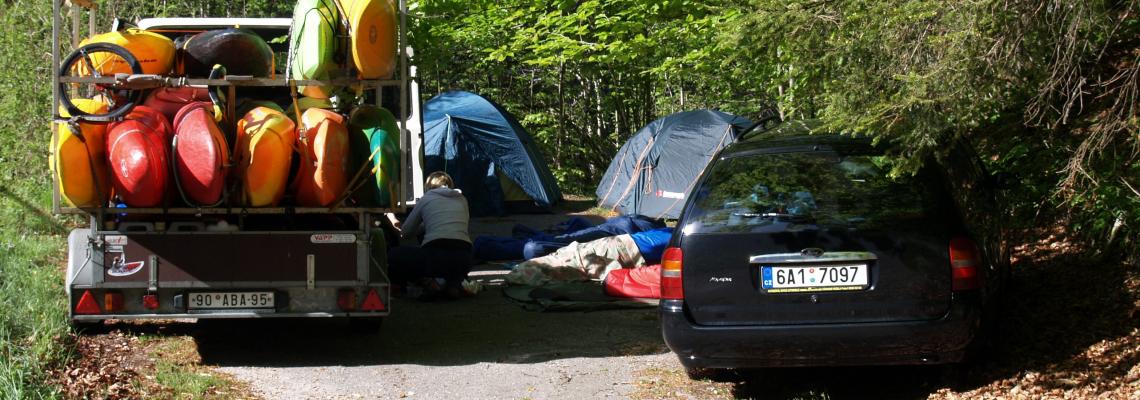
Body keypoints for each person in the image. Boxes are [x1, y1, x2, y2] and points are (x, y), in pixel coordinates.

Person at [388, 172, 472, 299]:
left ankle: (424, 283)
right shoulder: (462, 199)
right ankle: (453, 284)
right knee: (450, 256)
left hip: (436, 257)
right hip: (465, 258)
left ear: (427, 186)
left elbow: (405, 233)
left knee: (394, 254)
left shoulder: (426, 198)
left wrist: (392, 219)